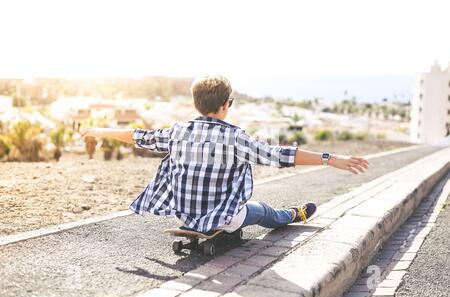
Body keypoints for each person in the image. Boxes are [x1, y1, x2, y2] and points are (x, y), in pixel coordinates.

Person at [81, 75, 369, 234]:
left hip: (185, 213)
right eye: (230, 101)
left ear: (196, 103)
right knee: (265, 211)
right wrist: (331, 159)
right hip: (223, 218)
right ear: (224, 104)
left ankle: (290, 213)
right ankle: (295, 214)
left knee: (253, 206)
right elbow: (279, 155)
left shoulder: (178, 132)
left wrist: (98, 130)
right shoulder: (235, 138)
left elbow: (137, 136)